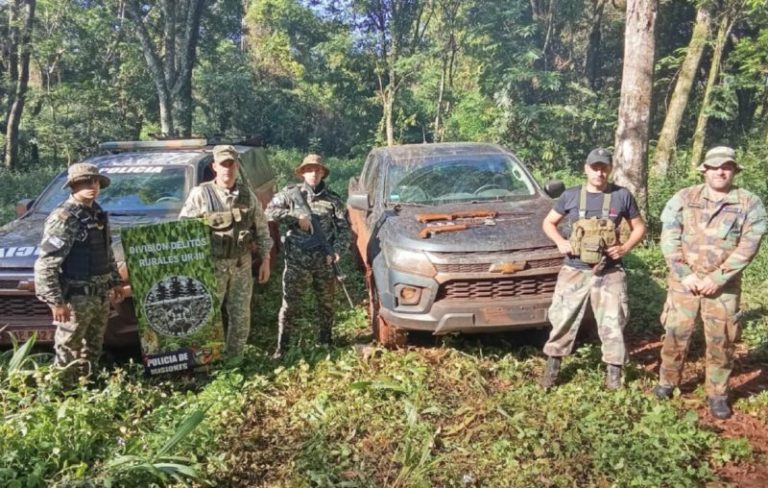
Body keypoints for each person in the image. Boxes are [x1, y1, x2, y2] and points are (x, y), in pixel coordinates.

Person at [653, 146, 766, 419]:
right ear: (704, 169)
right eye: (715, 166)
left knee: (721, 340)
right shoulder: (683, 198)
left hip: (723, 289)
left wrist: (718, 278)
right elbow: (669, 239)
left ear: (734, 171)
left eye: (726, 167)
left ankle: (717, 393)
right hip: (684, 284)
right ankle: (667, 382)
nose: (720, 171)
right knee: (675, 333)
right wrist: (685, 274)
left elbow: (749, 246)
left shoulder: (749, 203)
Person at [540, 148, 647, 390]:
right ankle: (553, 368)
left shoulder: (622, 196)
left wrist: (625, 248)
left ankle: (614, 374)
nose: (599, 172)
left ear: (610, 169)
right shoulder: (571, 196)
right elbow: (548, 222)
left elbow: (639, 227)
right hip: (574, 269)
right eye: (594, 167)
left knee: (613, 321)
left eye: (604, 167)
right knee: (562, 318)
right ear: (586, 169)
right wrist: (560, 242)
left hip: (609, 271)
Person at [179, 145, 272, 356]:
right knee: (206, 315)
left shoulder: (247, 195)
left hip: (241, 264)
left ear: (237, 166)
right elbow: (183, 230)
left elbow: (262, 229)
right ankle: (205, 361)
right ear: (215, 167)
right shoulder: (201, 194)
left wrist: (265, 260)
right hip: (212, 266)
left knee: (240, 315)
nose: (228, 169)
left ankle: (234, 361)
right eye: (223, 164)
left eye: (231, 164)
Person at [34, 163, 124, 380]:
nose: (92, 186)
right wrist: (56, 301)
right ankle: (61, 396)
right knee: (68, 349)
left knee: (92, 349)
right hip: (76, 297)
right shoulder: (64, 218)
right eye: (85, 182)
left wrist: (115, 281)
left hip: (99, 295)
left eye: (95, 181)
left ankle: (86, 390)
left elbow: (106, 251)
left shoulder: (97, 213)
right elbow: (46, 264)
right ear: (73, 186)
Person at [266, 154, 350, 358]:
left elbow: (345, 229)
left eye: (317, 170)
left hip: (324, 261)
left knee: (326, 304)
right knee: (290, 305)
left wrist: (337, 251)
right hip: (297, 261)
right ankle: (282, 348)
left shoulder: (333, 199)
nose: (314, 173)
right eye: (309, 169)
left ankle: (325, 342)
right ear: (303, 172)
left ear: (322, 172)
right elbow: (268, 212)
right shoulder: (290, 194)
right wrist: (295, 219)